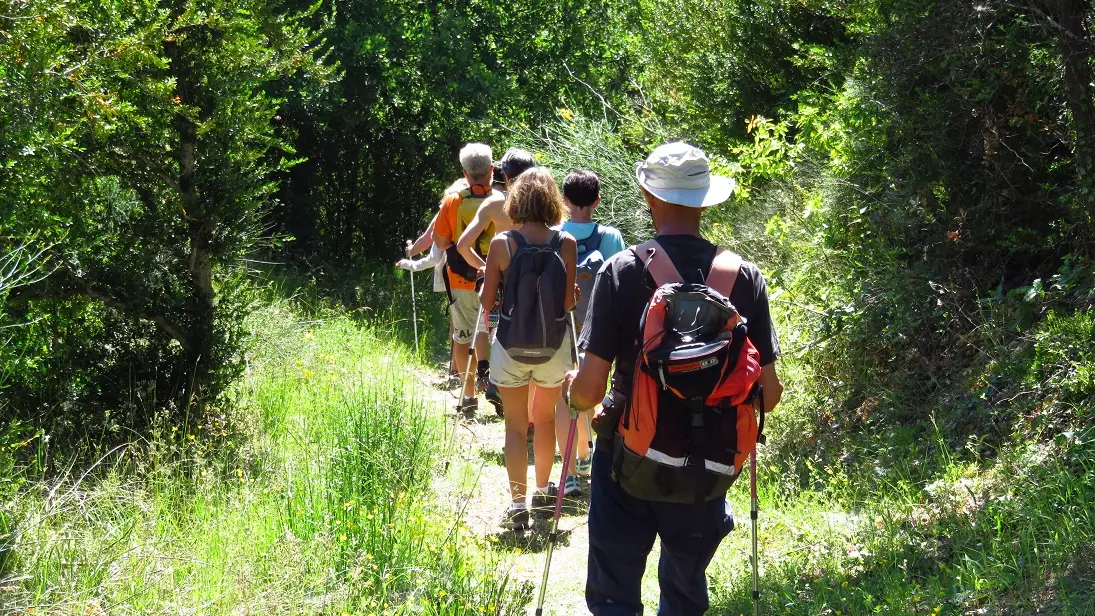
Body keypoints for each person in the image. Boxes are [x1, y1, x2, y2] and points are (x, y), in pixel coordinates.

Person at [563, 142, 784, 615]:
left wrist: (573, 391)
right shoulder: (743, 276)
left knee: (613, 594)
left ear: (648, 194)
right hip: (709, 466)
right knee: (684, 595)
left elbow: (588, 393)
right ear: (705, 201)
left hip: (629, 458)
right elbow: (770, 394)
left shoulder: (622, 270)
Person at [478, 167, 577, 531]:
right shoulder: (566, 243)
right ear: (552, 201)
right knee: (547, 417)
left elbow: (488, 303)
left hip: (510, 345)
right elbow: (567, 305)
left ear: (516, 200)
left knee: (516, 426)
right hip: (553, 346)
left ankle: (518, 504)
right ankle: (543, 491)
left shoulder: (503, 244)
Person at [553, 170, 627, 495]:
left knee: (563, 393)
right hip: (598, 329)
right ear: (597, 200)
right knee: (589, 388)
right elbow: (622, 284)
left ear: (565, 200)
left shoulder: (553, 234)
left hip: (558, 324)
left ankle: (570, 471)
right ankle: (586, 453)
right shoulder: (610, 237)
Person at [457, 147, 539, 410]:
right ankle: (524, 405)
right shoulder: (543, 207)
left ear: (504, 174)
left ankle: (499, 382)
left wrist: (484, 268)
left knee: (497, 333)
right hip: (536, 284)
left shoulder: (494, 204)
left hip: (502, 285)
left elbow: (463, 245)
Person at [432, 144, 502, 415]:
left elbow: (441, 241)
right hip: (495, 280)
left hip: (461, 279)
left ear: (464, 172)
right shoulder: (501, 200)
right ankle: (494, 381)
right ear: (492, 170)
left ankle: (469, 395)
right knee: (490, 331)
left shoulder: (452, 201)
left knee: (462, 337)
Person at [397, 178, 469, 384]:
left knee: (457, 322)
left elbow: (430, 242)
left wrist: (411, 254)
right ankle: (480, 372)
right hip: (485, 273)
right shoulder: (486, 208)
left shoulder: (446, 212)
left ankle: (457, 371)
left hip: (455, 275)